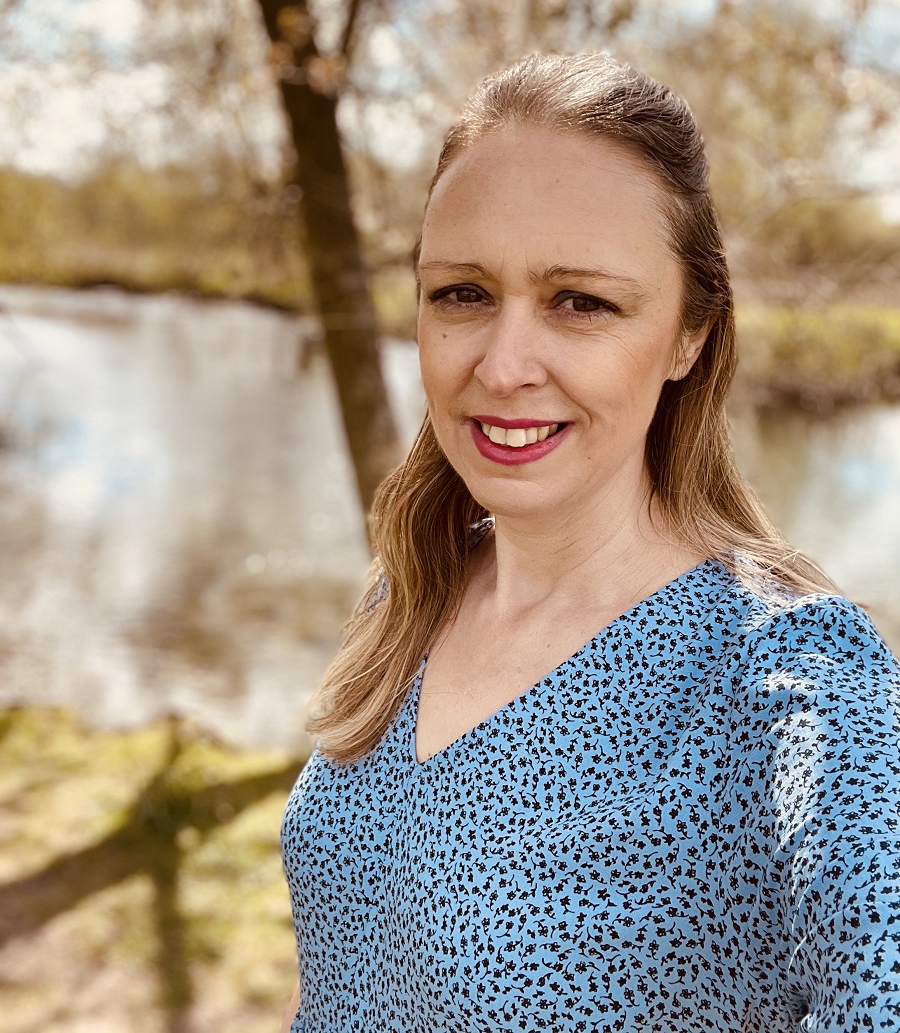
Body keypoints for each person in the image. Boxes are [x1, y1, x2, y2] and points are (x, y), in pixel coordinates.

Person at [279, 53, 900, 1032]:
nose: (504, 363)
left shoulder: (777, 680)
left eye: (582, 303)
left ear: (690, 333)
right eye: (461, 294)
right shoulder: (415, 592)